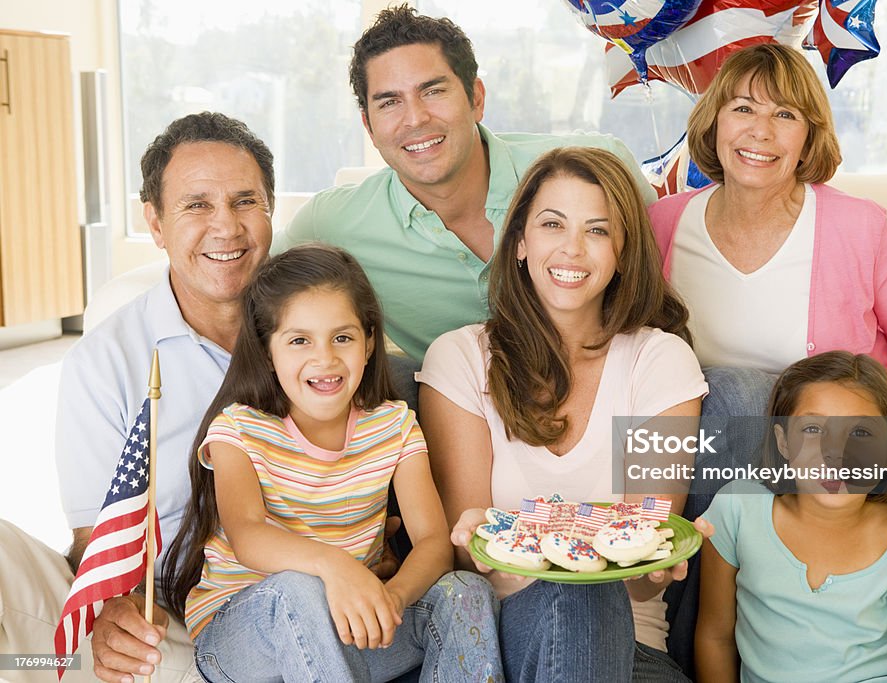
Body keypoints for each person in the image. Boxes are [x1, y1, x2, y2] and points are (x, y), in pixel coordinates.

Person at [418, 146, 709, 682]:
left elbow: (645, 563)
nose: (572, 249)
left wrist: (656, 569)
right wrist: (475, 543)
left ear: (623, 251)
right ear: (522, 242)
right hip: (503, 650)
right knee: (566, 592)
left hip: (632, 651)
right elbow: (468, 564)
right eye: (553, 224)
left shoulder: (659, 361)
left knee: (588, 593)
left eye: (598, 230)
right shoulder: (459, 359)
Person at [0, 112, 273, 683]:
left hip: (286, 611)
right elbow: (90, 542)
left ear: (271, 209)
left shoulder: (319, 334)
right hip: (163, 621)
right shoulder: (104, 361)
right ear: (154, 222)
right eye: (197, 205)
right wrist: (111, 611)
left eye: (245, 201)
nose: (227, 227)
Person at [647, 44, 887, 549]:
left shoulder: (860, 226)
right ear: (714, 122)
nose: (760, 131)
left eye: (785, 115)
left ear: (809, 137)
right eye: (743, 108)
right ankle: (690, 618)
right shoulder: (662, 224)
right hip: (718, 444)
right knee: (734, 392)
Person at [160, 244, 502, 682]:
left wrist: (391, 599)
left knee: (466, 591)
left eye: (342, 337)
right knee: (299, 592)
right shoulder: (239, 430)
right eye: (300, 340)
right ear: (267, 351)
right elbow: (247, 535)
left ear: (368, 342)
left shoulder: (394, 425)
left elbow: (433, 542)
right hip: (242, 638)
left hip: (354, 629)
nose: (325, 358)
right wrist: (335, 566)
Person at [273, 4, 656, 376]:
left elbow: (673, 268)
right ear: (368, 127)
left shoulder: (594, 170)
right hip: (466, 405)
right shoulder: (334, 223)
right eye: (389, 102)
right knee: (401, 379)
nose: (416, 118)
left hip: (617, 384)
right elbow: (247, 286)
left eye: (433, 91)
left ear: (476, 98)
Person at [696, 351, 887, 682]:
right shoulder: (736, 510)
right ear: (784, 442)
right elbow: (715, 637)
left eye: (860, 433)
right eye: (813, 428)